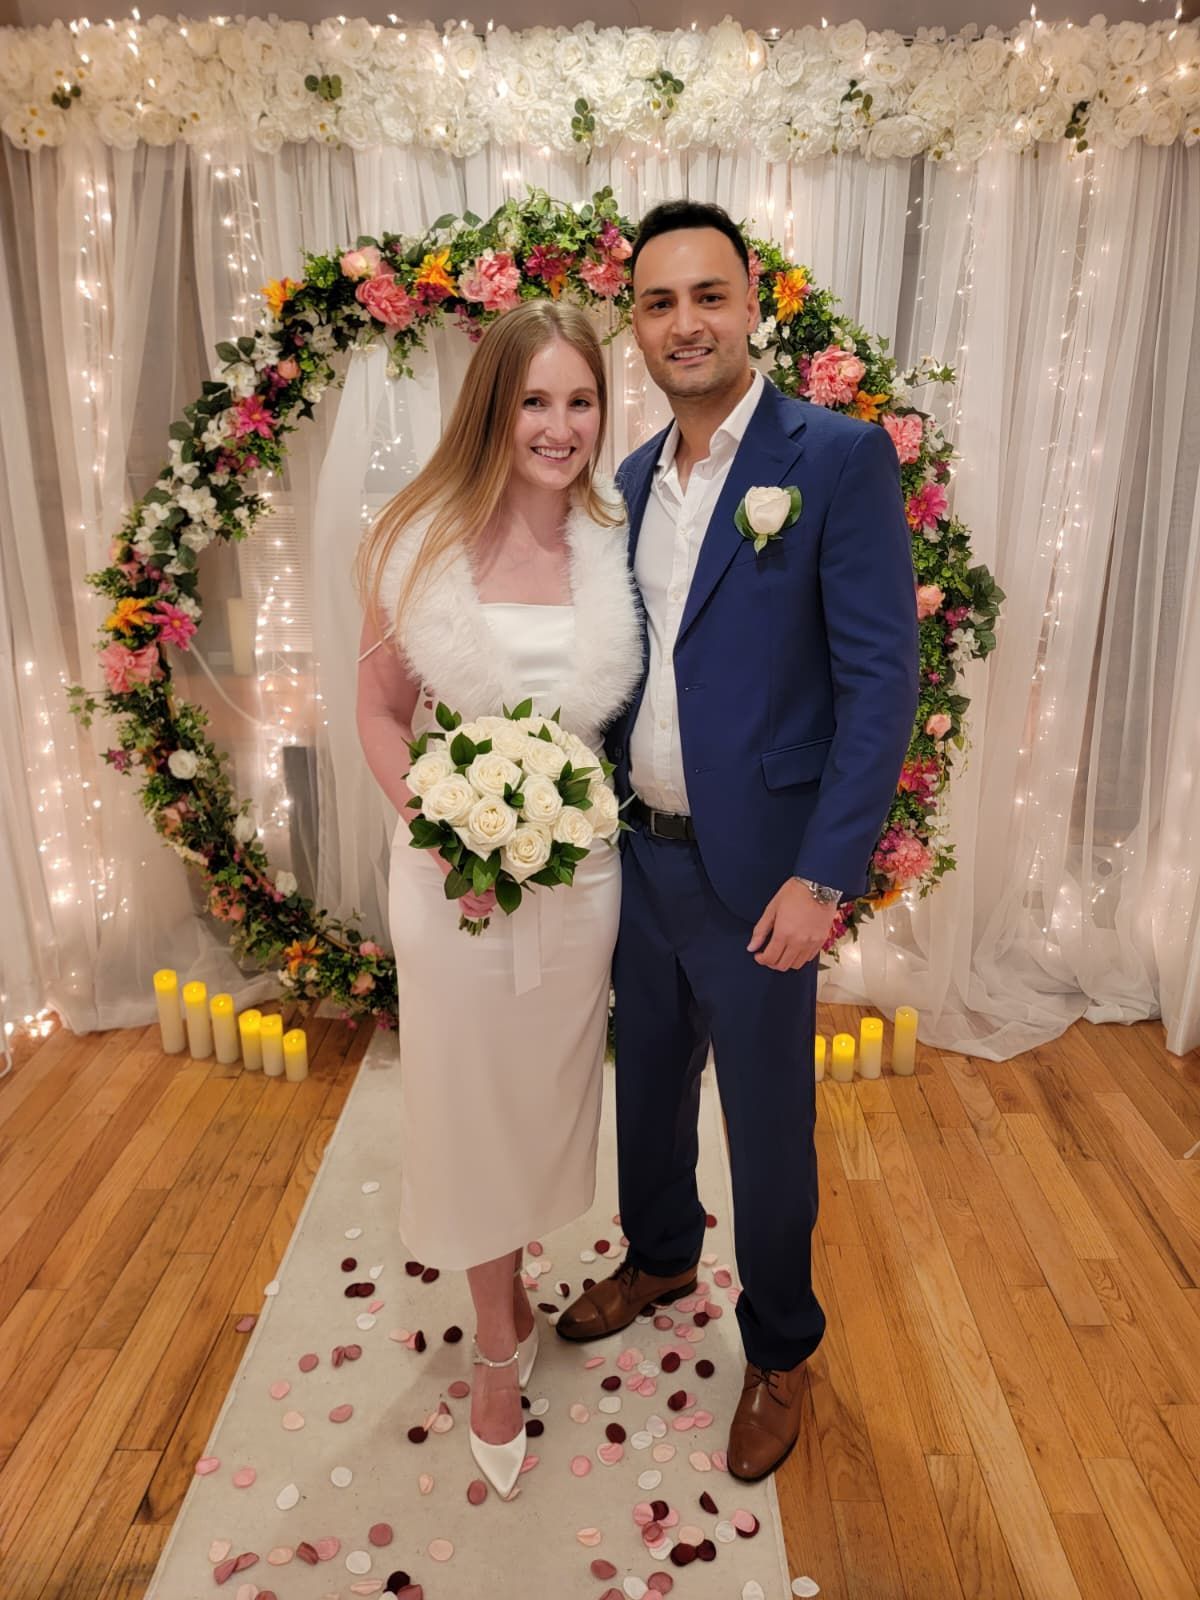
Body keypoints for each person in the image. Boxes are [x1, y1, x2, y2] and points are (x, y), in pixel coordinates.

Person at [557, 200, 920, 1483]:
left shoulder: (835, 459)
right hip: (637, 856)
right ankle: (659, 1255)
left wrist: (824, 872)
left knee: (767, 1129)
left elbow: (882, 685)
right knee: (644, 1092)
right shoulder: (635, 478)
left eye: (708, 295)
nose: (684, 323)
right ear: (635, 326)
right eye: (658, 303)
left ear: (751, 303)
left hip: (763, 869)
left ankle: (780, 1345)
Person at [354, 300, 642, 1498]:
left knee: (541, 1102)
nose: (561, 426)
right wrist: (431, 816)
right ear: (493, 408)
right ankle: (493, 1345)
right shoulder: (415, 538)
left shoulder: (618, 539)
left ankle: (516, 1269)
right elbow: (378, 712)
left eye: (580, 401)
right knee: (466, 1107)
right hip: (453, 884)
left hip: (579, 888)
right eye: (536, 401)